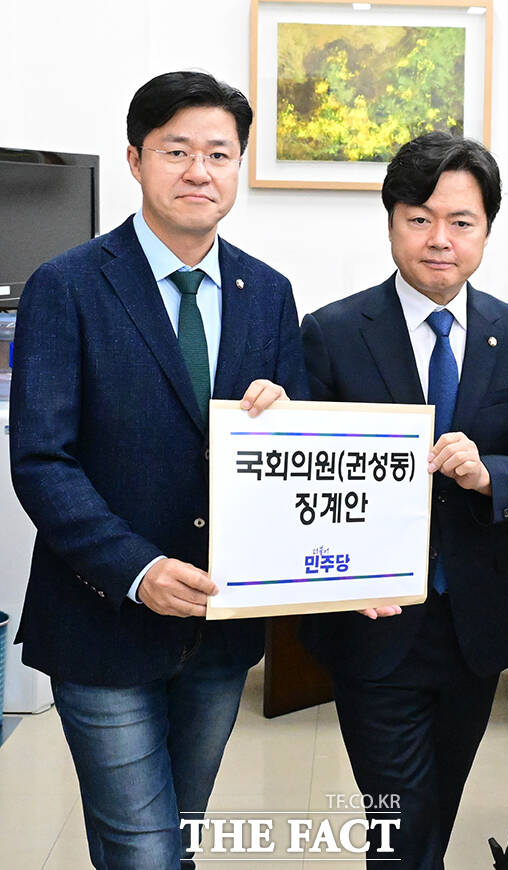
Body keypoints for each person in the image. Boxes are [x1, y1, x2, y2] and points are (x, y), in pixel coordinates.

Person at [10, 70, 307, 869]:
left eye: (219, 153)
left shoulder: (268, 293)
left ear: (238, 166)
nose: (198, 171)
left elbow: (294, 464)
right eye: (176, 150)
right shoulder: (66, 285)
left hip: (219, 631)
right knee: (143, 850)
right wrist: (137, 570)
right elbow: (40, 459)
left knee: (180, 835)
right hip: (101, 621)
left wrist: (288, 417)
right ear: (136, 160)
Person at [300, 132, 508, 869]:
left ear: (486, 230)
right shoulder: (332, 333)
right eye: (419, 219)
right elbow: (303, 483)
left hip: (475, 622)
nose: (439, 239)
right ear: (391, 223)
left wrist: (489, 476)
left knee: (437, 807)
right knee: (399, 818)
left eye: (460, 221)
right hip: (373, 619)